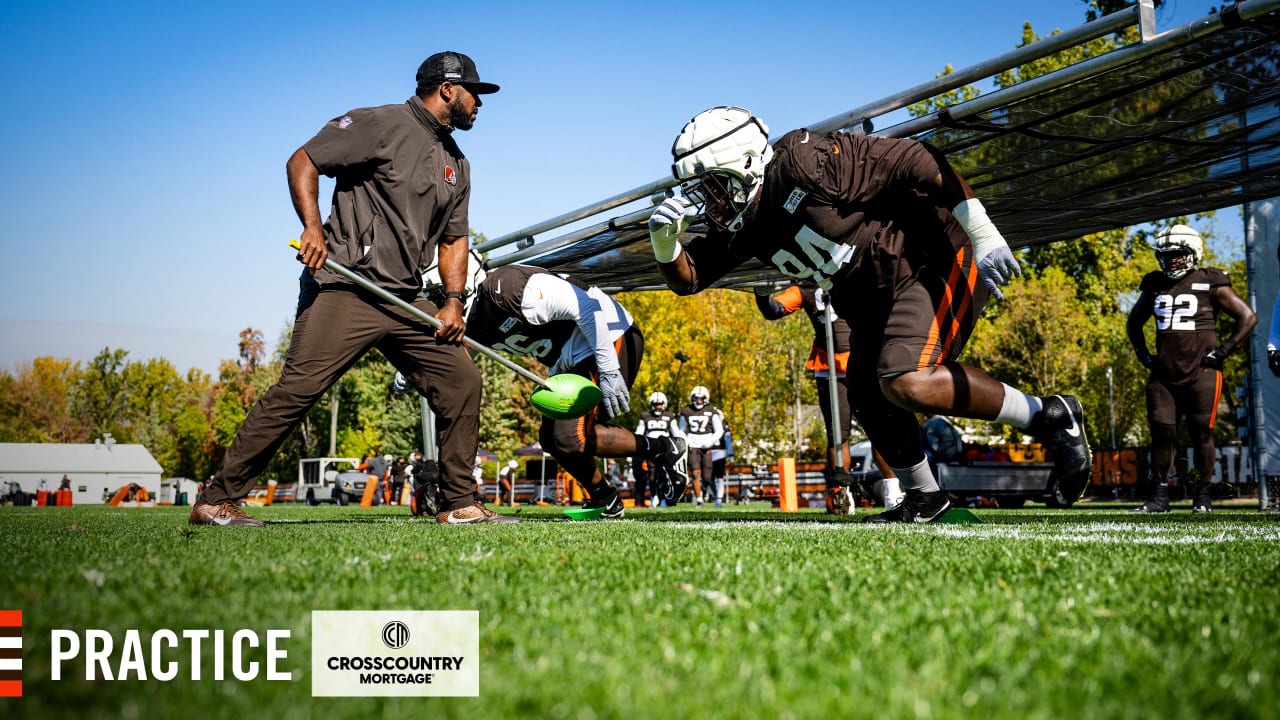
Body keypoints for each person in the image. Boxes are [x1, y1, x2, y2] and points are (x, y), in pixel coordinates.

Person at [648, 106, 1092, 523]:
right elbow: (689, 278)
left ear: (745, 164)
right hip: (868, 296)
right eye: (700, 191)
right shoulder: (742, 222)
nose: (710, 202)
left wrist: (984, 233)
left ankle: (1050, 415)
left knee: (905, 379)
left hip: (929, 257)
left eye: (713, 185)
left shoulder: (805, 161)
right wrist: (665, 243)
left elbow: (918, 161)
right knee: (863, 390)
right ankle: (925, 497)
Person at [188, 51, 515, 526]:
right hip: (346, 285)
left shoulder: (457, 165)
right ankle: (216, 500)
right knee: (298, 390)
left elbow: (454, 239)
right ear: (447, 89)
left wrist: (452, 301)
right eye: (474, 93)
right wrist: (313, 227)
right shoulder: (378, 123)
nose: (479, 103)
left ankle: (459, 503)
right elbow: (304, 159)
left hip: (405, 297)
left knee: (461, 380)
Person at [463, 264, 691, 518]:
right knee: (552, 439)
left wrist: (609, 369)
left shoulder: (508, 288)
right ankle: (608, 496)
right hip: (568, 359)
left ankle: (661, 449)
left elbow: (586, 306)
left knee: (568, 437)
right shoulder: (472, 320)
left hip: (604, 335)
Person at [1127, 225, 1256, 513]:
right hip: (1164, 374)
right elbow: (1134, 323)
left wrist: (1223, 351)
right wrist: (1143, 355)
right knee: (1161, 433)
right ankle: (1159, 497)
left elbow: (1247, 317)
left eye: (1178, 254)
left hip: (1203, 372)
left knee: (1202, 434)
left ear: (1193, 252)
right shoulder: (1154, 283)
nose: (1171, 259)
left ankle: (1202, 496)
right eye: (1166, 255)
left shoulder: (1211, 280)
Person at [756, 284, 903, 515]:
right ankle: (841, 492)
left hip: (864, 358)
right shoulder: (804, 286)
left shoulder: (855, 273)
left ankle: (893, 492)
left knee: (879, 428)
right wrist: (762, 295)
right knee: (837, 434)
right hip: (829, 365)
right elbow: (775, 310)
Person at [634, 391, 685, 507]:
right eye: (656, 404)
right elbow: (639, 433)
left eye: (660, 404)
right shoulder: (645, 416)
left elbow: (676, 433)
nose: (658, 406)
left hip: (665, 450)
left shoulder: (669, 416)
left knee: (665, 475)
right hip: (651, 450)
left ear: (664, 404)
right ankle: (654, 496)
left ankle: (663, 497)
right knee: (652, 476)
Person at [679, 386, 724, 508]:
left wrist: (711, 441)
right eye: (696, 398)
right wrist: (686, 441)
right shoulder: (687, 410)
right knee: (695, 473)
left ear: (705, 399)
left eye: (701, 398)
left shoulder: (711, 410)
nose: (698, 400)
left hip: (707, 445)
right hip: (693, 444)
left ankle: (704, 488)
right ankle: (699, 500)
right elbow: (681, 429)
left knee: (707, 477)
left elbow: (719, 430)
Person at [709, 410, 733, 509]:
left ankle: (718, 499)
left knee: (719, 477)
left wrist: (731, 457)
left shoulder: (724, 428)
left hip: (720, 454)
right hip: (709, 454)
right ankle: (716, 496)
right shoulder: (707, 427)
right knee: (708, 478)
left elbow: (728, 443)